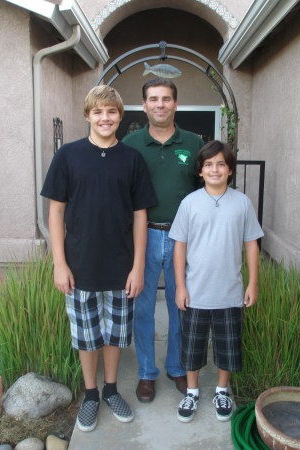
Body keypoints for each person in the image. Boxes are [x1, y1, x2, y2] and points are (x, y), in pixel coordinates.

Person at [41, 85, 157, 432]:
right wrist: (59, 263)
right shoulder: (68, 156)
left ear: (120, 116)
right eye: (98, 112)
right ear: (88, 115)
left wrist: (138, 266)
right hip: (80, 266)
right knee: (87, 336)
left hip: (121, 268)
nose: (105, 118)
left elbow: (140, 216)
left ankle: (110, 390)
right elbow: (55, 213)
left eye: (111, 112)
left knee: (114, 335)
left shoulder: (131, 159)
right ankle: (90, 395)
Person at [169, 140, 264, 423]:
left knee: (227, 347)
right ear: (200, 170)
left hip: (230, 293)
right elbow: (179, 247)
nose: (215, 169)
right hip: (196, 293)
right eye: (209, 164)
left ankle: (222, 391)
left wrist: (253, 283)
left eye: (221, 164)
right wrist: (181, 286)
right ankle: (193, 392)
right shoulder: (189, 203)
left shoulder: (242, 203)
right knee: (192, 347)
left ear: (230, 170)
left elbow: (251, 244)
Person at [123, 78, 204, 402]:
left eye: (166, 99)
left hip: (183, 238)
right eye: (153, 99)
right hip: (142, 237)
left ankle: (176, 367)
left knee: (180, 306)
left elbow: (205, 190)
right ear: (144, 106)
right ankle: (146, 373)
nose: (160, 104)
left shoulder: (194, 143)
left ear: (175, 103)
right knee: (141, 308)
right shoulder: (130, 143)